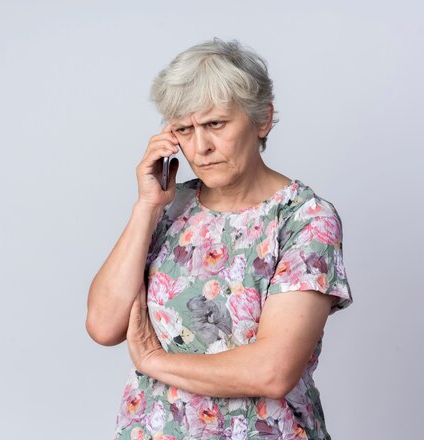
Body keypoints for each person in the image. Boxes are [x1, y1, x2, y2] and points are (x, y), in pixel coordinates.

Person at [86, 38, 353, 440]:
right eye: (184, 130)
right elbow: (104, 326)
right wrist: (146, 206)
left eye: (215, 124)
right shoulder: (169, 207)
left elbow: (273, 371)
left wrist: (154, 362)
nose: (201, 147)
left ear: (262, 119)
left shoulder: (304, 218)